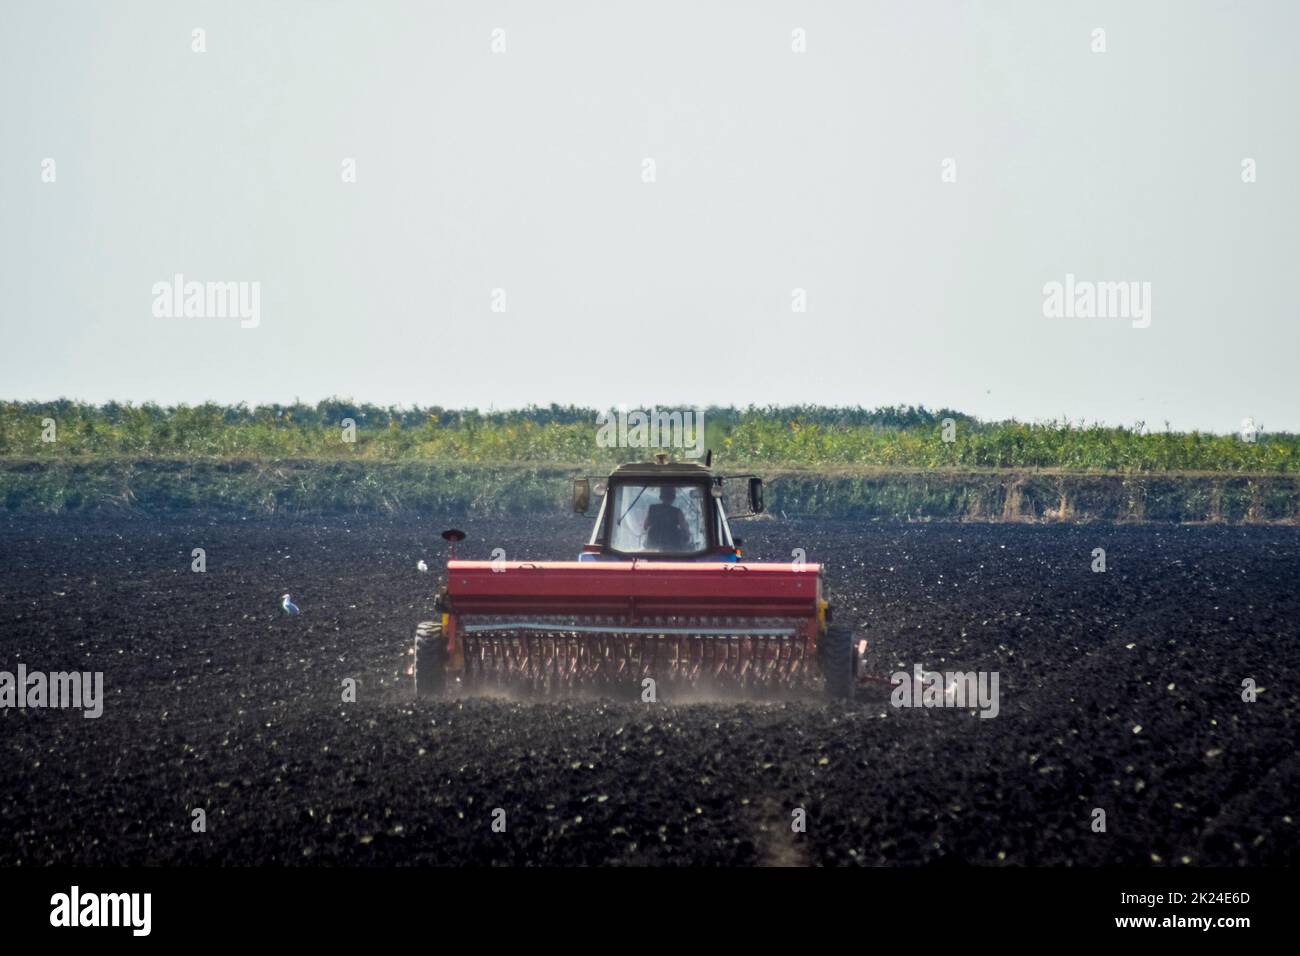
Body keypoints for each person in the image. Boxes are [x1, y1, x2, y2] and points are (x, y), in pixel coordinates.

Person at [643, 486, 691, 551]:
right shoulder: (677, 512)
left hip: (652, 548)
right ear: (674, 498)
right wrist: (687, 535)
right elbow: (685, 529)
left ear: (661, 497)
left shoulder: (652, 508)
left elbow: (645, 526)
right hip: (672, 548)